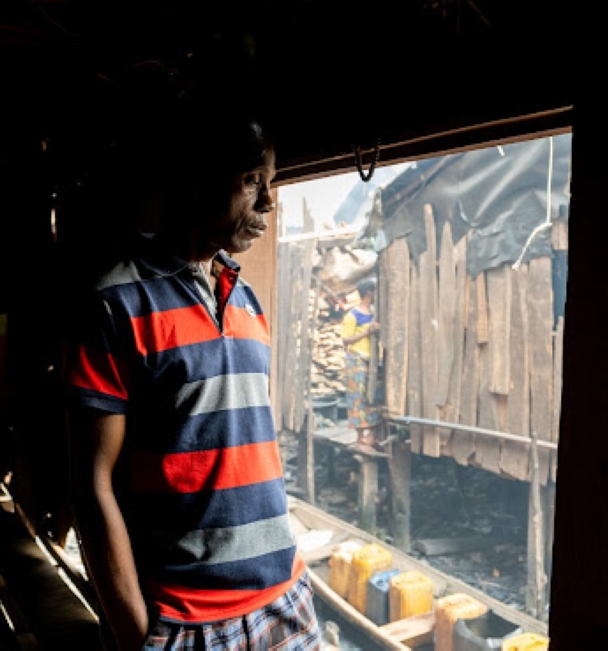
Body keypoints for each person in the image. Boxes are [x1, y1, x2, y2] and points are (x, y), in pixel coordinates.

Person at [63, 102, 321, 650]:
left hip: (285, 601)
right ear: (195, 178)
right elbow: (91, 486)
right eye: (253, 180)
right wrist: (135, 632)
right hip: (187, 620)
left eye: (271, 182)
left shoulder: (247, 299)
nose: (269, 202)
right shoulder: (117, 301)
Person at [341, 277, 382, 450]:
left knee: (372, 395)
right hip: (356, 359)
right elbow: (346, 339)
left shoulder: (374, 313)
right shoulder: (353, 315)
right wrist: (367, 331)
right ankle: (359, 436)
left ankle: (371, 435)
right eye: (374, 292)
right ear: (368, 293)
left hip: (371, 360)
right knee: (357, 397)